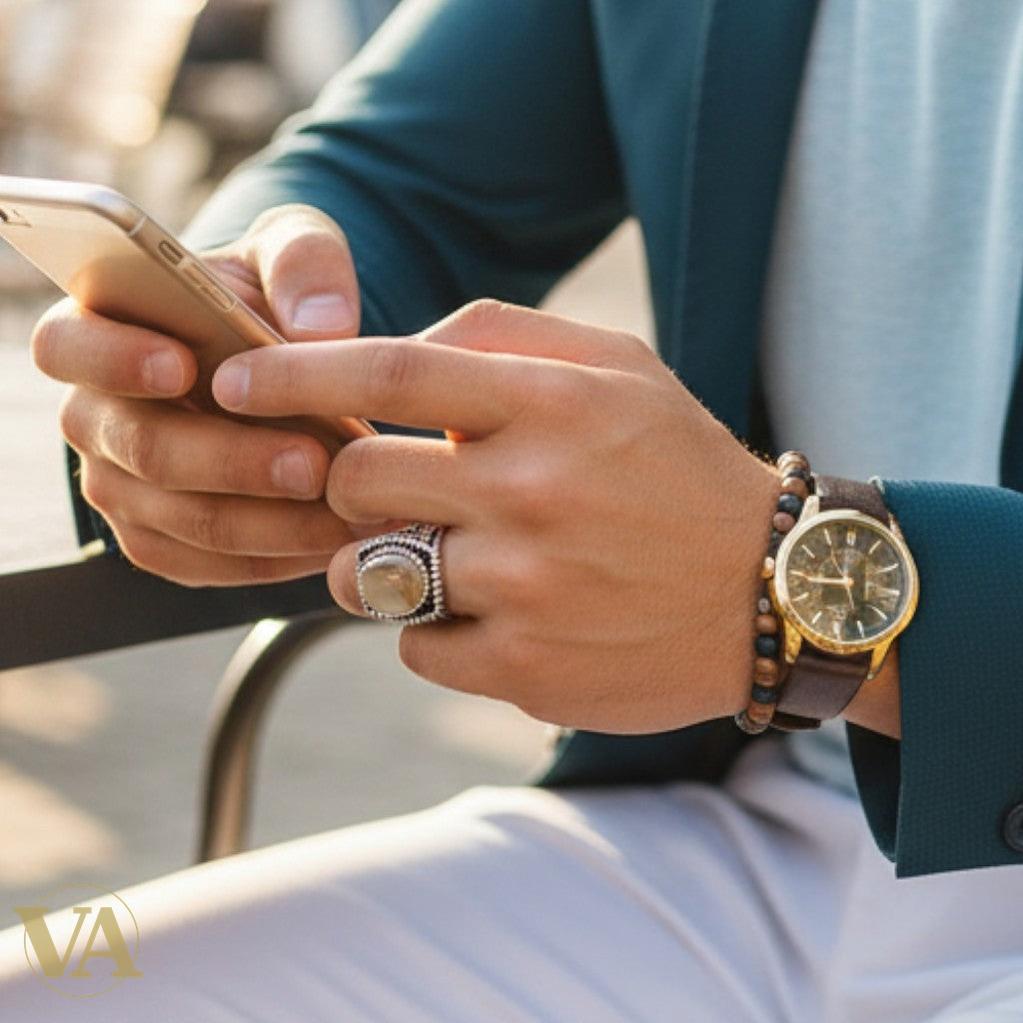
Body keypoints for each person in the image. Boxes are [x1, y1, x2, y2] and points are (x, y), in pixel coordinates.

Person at [3, 1, 1023, 1019]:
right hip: (746, 846)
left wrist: (782, 593)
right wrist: (247, 317)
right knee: (41, 989)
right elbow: (398, 174)